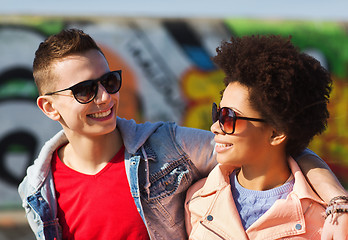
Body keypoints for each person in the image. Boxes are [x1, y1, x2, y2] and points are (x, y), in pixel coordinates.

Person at [18, 29, 346, 240]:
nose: (105, 97)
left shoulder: (170, 145)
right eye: (86, 90)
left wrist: (335, 197)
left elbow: (277, 150)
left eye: (110, 82)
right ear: (49, 107)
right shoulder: (37, 188)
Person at [185, 35, 348, 239]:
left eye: (229, 117)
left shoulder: (328, 219)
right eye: (218, 113)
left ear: (276, 133)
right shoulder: (197, 200)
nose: (215, 127)